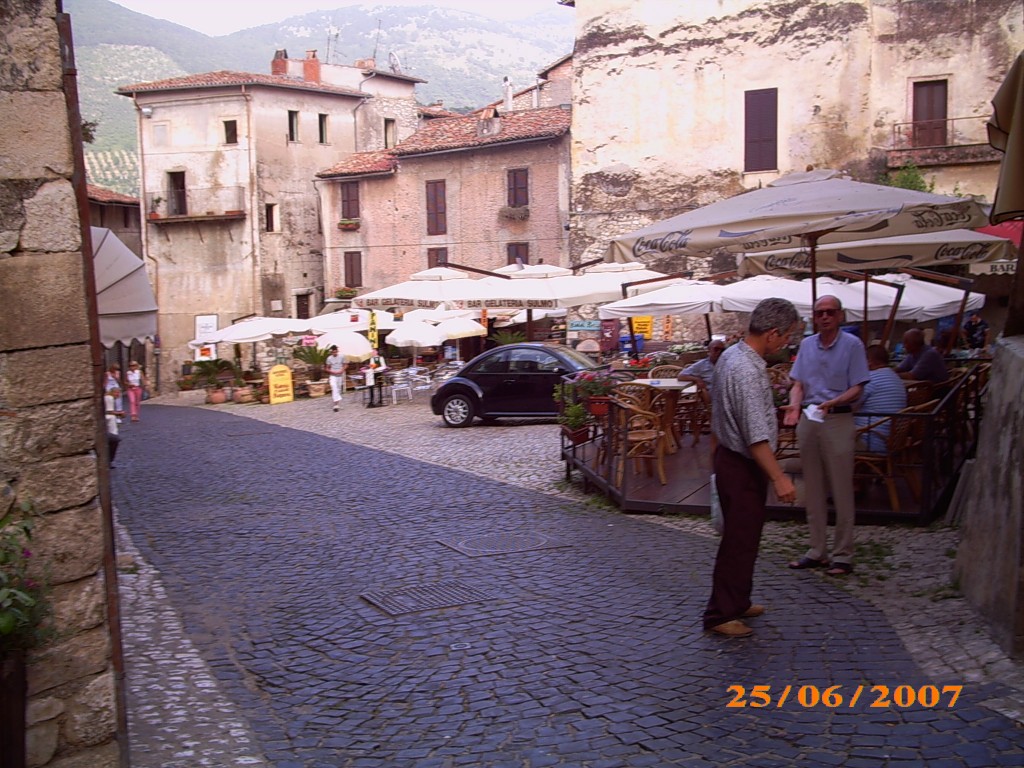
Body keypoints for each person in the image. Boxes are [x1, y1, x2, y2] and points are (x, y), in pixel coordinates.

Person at [703, 298, 799, 638]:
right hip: (742, 463)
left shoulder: (733, 356)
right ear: (772, 333)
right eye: (787, 335)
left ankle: (738, 600)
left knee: (746, 536)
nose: (787, 342)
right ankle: (720, 613)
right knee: (739, 540)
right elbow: (755, 435)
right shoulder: (744, 367)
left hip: (734, 459)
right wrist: (779, 477)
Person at [783, 295, 869, 577]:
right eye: (820, 313)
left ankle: (843, 554)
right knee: (814, 487)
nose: (825, 317)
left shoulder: (852, 345)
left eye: (830, 312)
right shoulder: (807, 345)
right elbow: (798, 382)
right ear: (814, 317)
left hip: (838, 418)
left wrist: (833, 402)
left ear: (840, 316)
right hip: (811, 418)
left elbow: (858, 386)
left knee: (842, 487)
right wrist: (795, 404)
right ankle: (816, 549)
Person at [854, 345, 908, 453]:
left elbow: (850, 405)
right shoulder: (895, 377)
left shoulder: (870, 379)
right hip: (890, 440)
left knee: (825, 437)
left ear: (869, 362)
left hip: (869, 440)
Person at [104, 386, 123, 466]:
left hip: (110, 422)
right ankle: (109, 460)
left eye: (119, 393)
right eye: (116, 392)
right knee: (115, 439)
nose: (118, 394)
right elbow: (109, 412)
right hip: (109, 422)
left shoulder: (108, 398)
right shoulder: (109, 398)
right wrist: (119, 414)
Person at [325, 345, 346, 412]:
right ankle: (335, 405)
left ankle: (337, 404)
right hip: (333, 375)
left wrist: (342, 370)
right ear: (331, 352)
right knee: (334, 387)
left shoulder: (342, 356)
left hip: (339, 375)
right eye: (333, 352)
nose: (335, 353)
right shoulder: (329, 358)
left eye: (336, 352)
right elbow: (327, 368)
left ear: (337, 351)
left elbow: (345, 365)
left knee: (338, 389)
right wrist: (332, 371)